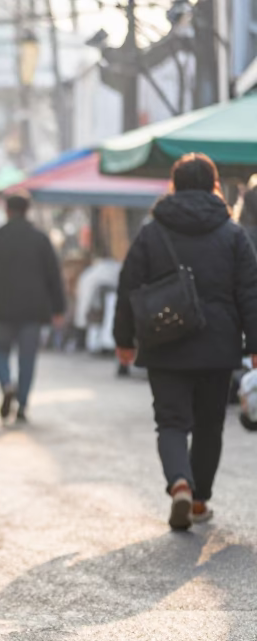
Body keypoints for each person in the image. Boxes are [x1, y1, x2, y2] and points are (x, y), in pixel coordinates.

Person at [114, 153, 257, 531]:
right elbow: (250, 293)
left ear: (173, 185)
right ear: (215, 184)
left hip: (164, 341)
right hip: (218, 344)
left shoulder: (152, 231)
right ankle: (197, 501)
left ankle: (179, 481)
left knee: (172, 422)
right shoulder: (233, 234)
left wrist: (123, 339)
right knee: (210, 425)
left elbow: (128, 285)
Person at [0, 194, 66, 424]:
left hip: (0, 309)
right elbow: (54, 276)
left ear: (7, 211)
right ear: (27, 210)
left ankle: (6, 384)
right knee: (27, 358)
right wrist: (59, 309)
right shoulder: (41, 239)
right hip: (33, 311)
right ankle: (22, 405)